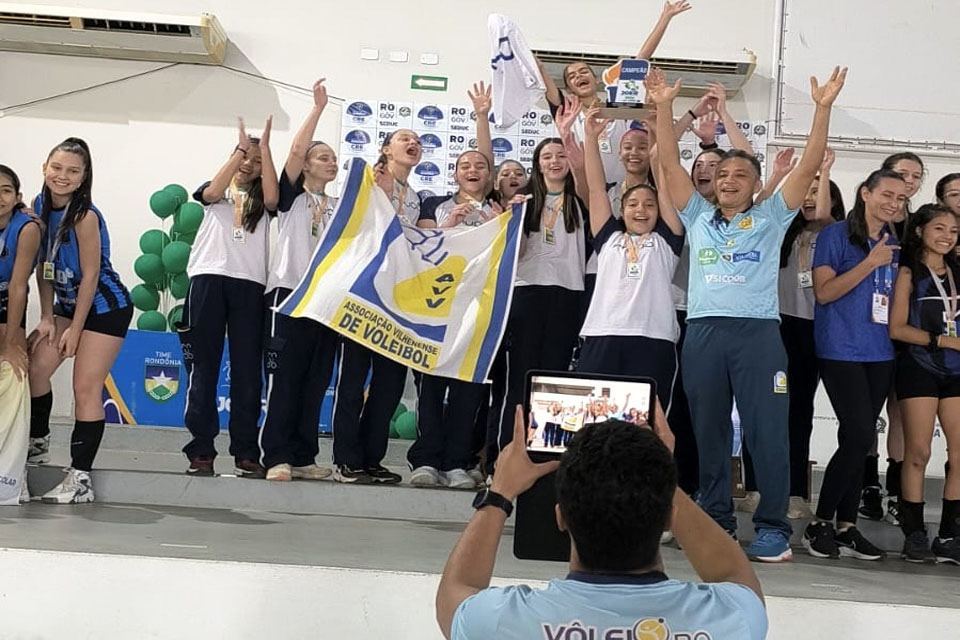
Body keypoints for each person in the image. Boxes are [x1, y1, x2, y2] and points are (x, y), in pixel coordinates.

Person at [648, 65, 847, 561]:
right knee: (709, 431)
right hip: (703, 334)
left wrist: (821, 109)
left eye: (741, 175)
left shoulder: (772, 216)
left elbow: (806, 167)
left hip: (758, 336)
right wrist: (664, 106)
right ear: (712, 183)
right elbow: (670, 167)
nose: (729, 180)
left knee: (766, 433)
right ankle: (716, 519)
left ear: (758, 184)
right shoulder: (696, 215)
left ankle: (773, 526)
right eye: (722, 175)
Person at [436, 403, 766, 640]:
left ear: (560, 518)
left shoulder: (501, 622)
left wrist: (500, 494)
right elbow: (735, 575)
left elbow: (456, 590)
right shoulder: (729, 619)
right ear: (670, 518)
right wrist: (661, 473)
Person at [803, 169, 907, 561]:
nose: (894, 204)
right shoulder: (835, 235)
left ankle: (846, 526)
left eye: (900, 199)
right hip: (840, 348)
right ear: (866, 193)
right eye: (887, 195)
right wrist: (870, 262)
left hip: (880, 351)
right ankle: (820, 521)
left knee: (856, 439)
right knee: (862, 435)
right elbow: (825, 293)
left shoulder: (894, 239)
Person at [27, 138, 133, 503]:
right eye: (57, 168)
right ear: (45, 167)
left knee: (84, 387)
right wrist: (45, 316)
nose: (63, 176)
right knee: (36, 367)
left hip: (105, 308)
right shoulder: (39, 206)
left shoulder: (85, 216)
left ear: (84, 176)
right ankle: (37, 444)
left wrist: (75, 328)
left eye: (73, 171)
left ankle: (80, 478)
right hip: (66, 306)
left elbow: (90, 277)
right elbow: (42, 264)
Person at [409, 83, 502, 490]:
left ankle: (459, 463)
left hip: (479, 310)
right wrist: (448, 226)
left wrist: (483, 116)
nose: (473, 170)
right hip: (438, 307)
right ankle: (426, 460)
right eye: (465, 165)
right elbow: (424, 250)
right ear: (454, 173)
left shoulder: (500, 208)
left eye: (480, 166)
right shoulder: (434, 205)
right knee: (430, 387)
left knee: (469, 388)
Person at [178, 117, 277, 478]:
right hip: (207, 279)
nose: (249, 164)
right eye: (244, 158)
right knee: (202, 368)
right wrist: (240, 151)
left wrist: (264, 149)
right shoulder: (217, 188)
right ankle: (201, 449)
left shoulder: (266, 199)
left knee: (248, 373)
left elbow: (271, 198)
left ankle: (246, 452)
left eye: (257, 161)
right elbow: (210, 194)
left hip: (250, 284)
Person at [486, 129, 586, 474]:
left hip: (569, 293)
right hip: (527, 291)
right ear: (537, 165)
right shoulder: (524, 201)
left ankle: (545, 455)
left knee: (555, 379)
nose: (555, 161)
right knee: (520, 378)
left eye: (561, 155)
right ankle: (505, 456)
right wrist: (508, 222)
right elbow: (518, 253)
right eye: (548, 157)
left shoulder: (581, 198)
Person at [330, 128, 426, 484]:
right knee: (352, 381)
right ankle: (346, 460)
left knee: (389, 385)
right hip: (361, 294)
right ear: (386, 149)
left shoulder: (415, 197)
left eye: (417, 140)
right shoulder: (365, 182)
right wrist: (379, 196)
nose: (413, 144)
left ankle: (372, 458)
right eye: (404, 139)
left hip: (397, 299)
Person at [577, 107, 683, 411]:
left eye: (649, 205)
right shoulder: (609, 238)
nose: (641, 210)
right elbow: (596, 188)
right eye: (633, 204)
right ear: (622, 211)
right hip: (602, 333)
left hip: (654, 337)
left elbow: (665, 180)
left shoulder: (667, 240)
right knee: (594, 418)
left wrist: (658, 129)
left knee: (648, 420)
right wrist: (590, 137)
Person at [259, 79, 337, 482]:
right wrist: (318, 109)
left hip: (327, 302)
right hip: (288, 295)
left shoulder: (341, 207)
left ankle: (304, 455)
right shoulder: (289, 199)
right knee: (284, 381)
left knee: (315, 381)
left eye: (334, 158)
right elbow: (293, 150)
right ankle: (275, 456)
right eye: (322, 157)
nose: (331, 162)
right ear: (306, 165)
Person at [539, 1, 692, 185]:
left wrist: (665, 18)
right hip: (588, 195)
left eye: (584, 71)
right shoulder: (568, 114)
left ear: (596, 80)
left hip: (627, 191)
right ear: (569, 89)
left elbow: (639, 61)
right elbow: (543, 78)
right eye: (572, 76)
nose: (578, 75)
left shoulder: (619, 103)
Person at [774, 149, 845, 519]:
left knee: (804, 410)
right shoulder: (785, 235)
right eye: (806, 191)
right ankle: (776, 489)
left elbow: (822, 214)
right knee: (784, 410)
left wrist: (824, 169)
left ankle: (800, 492)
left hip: (822, 329)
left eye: (819, 192)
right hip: (784, 326)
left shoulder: (836, 236)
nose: (809, 199)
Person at [888, 203, 960, 564]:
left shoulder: (958, 270)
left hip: (956, 372)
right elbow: (897, 328)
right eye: (939, 229)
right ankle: (914, 533)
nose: (947, 237)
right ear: (920, 232)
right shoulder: (908, 272)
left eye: (953, 231)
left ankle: (950, 535)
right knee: (918, 453)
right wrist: (944, 341)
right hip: (919, 367)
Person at [860, 152, 927, 524]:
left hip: (906, 332)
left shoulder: (920, 226)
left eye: (916, 176)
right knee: (865, 413)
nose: (910, 181)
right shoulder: (863, 224)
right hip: (868, 330)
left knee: (900, 414)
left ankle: (898, 489)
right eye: (903, 174)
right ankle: (867, 484)